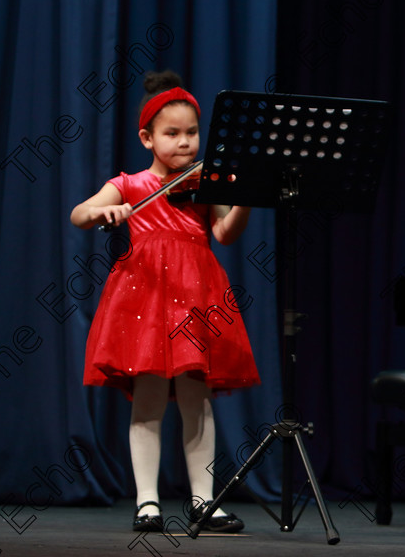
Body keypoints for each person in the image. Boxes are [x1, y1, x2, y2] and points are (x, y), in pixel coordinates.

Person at [70, 70, 260, 533]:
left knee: (198, 398)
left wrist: (246, 197)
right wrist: (104, 210)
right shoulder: (132, 185)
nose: (185, 143)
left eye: (192, 133)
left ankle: (203, 501)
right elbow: (80, 214)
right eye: (172, 133)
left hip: (196, 297)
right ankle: (148, 502)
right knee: (149, 398)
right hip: (147, 299)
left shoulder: (207, 182)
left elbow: (224, 234)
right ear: (147, 137)